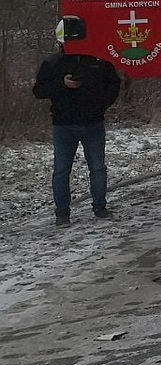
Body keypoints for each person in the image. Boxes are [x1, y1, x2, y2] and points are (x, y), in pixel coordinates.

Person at [33, 22, 121, 226]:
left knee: (98, 168)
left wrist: (101, 106)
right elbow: (38, 91)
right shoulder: (53, 63)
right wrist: (62, 84)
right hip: (64, 125)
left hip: (93, 124)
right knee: (62, 170)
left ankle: (100, 207)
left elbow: (114, 85)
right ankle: (62, 213)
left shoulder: (99, 61)